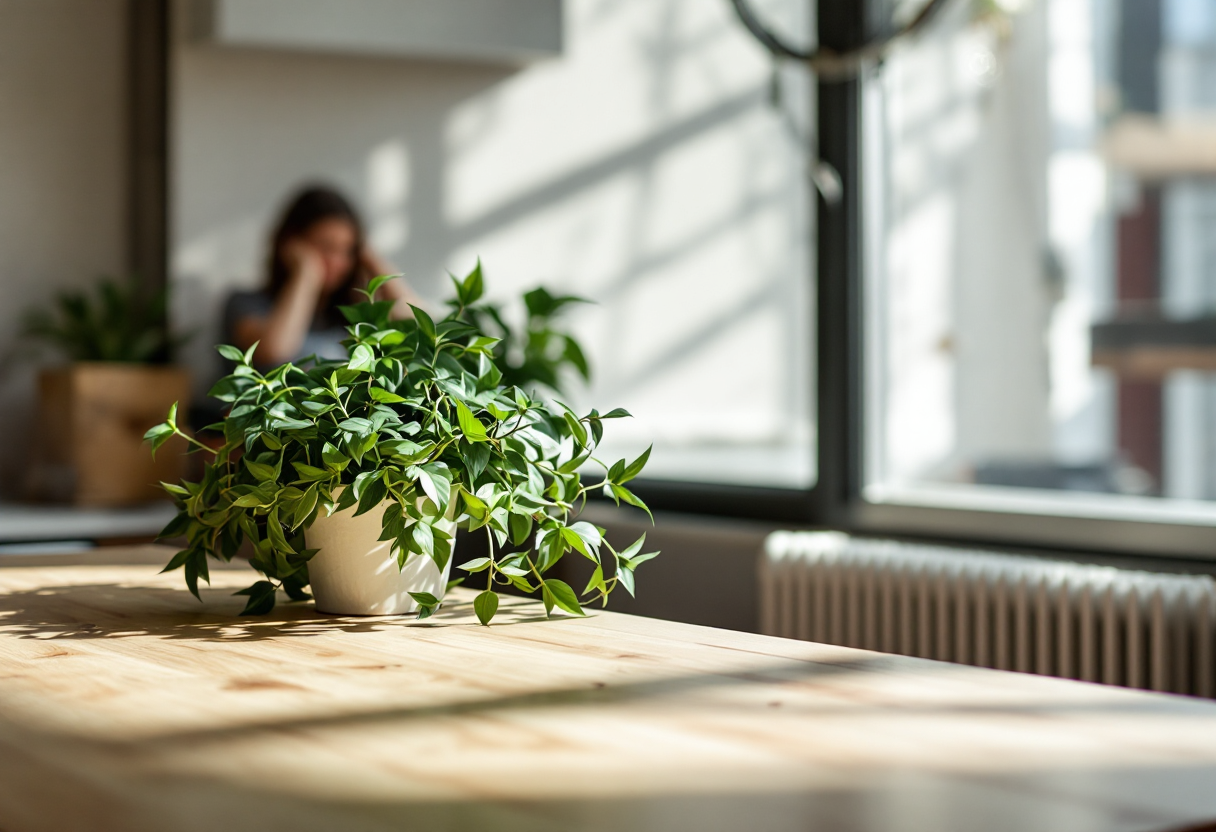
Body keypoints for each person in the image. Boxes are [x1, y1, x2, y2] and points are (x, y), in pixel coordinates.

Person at [224, 185, 421, 367]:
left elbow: (418, 327)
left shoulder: (352, 314)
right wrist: (305, 274)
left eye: (347, 250)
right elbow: (274, 351)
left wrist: (370, 259)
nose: (336, 262)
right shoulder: (247, 304)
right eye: (326, 247)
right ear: (292, 246)